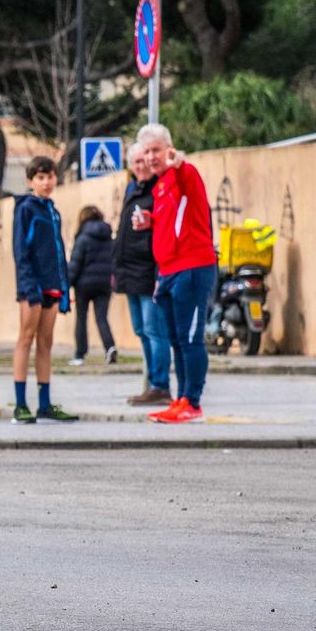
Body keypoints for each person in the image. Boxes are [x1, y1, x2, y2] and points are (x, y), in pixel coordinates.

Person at [136, 123, 214, 422]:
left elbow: (181, 170)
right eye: (147, 151)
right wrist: (150, 221)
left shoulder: (185, 174)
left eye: (156, 150)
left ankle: (192, 402)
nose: (151, 157)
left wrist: (176, 161)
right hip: (168, 271)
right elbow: (172, 218)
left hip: (193, 268)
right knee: (177, 339)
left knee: (190, 338)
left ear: (168, 149)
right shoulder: (160, 186)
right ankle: (181, 399)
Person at [11, 156, 76, 423]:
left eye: (50, 177)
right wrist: (28, 286)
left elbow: (59, 252)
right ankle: (20, 403)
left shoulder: (53, 211)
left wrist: (64, 286)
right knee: (25, 339)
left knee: (46, 343)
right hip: (32, 286)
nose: (46, 182)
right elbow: (20, 250)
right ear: (30, 181)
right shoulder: (25, 209)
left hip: (53, 285)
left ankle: (45, 403)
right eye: (40, 177)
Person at [113, 142, 171, 406]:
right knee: (141, 329)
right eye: (136, 162)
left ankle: (160, 385)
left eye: (144, 161)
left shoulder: (158, 189)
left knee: (154, 330)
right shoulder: (133, 190)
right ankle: (152, 384)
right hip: (130, 273)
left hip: (149, 271)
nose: (141, 165)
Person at [67, 205, 117, 367]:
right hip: (104, 284)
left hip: (84, 285)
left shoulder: (82, 238)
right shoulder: (109, 238)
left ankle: (80, 354)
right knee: (102, 318)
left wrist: (67, 284)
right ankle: (109, 347)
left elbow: (75, 264)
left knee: (81, 318)